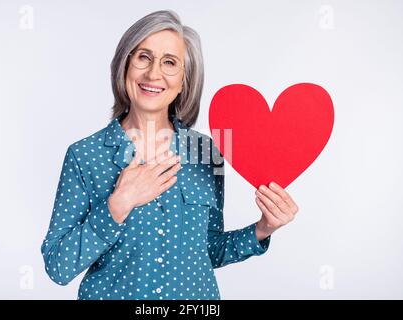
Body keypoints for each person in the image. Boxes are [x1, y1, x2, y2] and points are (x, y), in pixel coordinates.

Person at [41, 10, 299, 300]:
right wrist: (118, 205)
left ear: (184, 80)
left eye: (169, 62)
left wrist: (264, 228)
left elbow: (208, 251)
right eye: (143, 57)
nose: (154, 73)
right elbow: (57, 266)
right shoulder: (85, 156)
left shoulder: (206, 153)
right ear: (125, 65)